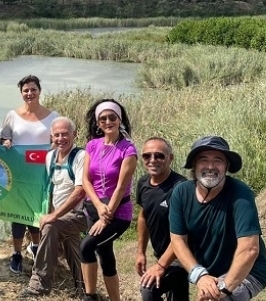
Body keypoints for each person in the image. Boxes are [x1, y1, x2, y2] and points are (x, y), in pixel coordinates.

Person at [169, 136, 266, 301]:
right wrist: (199, 275)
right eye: (203, 160)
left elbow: (250, 250)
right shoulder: (181, 193)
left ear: (226, 166)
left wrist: (221, 290)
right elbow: (177, 241)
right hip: (209, 269)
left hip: (250, 270)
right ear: (194, 165)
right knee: (153, 284)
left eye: (218, 160)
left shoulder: (241, 194)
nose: (210, 166)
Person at [19, 117, 88, 297]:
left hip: (81, 214)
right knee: (72, 247)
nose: (61, 138)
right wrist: (47, 212)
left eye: (65, 134)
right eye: (56, 135)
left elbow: (80, 191)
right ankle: (84, 289)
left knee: (51, 227)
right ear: (51, 137)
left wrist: (53, 216)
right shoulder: (50, 157)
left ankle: (38, 285)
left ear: (75, 134)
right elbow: (50, 188)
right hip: (62, 216)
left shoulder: (80, 156)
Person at [0, 75, 59, 274]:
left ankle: (35, 248)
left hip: (42, 175)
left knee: (38, 214)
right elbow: (5, 137)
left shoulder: (53, 116)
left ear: (39, 91)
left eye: (33, 89)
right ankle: (16, 253)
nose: (29, 93)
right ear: (21, 93)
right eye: (25, 90)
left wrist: (52, 147)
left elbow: (59, 141)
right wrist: (6, 143)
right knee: (18, 214)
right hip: (18, 174)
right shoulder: (12, 115)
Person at [79, 99, 137, 301]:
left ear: (119, 119)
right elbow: (86, 180)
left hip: (117, 213)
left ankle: (90, 296)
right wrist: (97, 205)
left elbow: (121, 187)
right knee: (105, 254)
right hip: (92, 209)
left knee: (86, 246)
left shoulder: (128, 149)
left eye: (112, 117)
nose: (108, 121)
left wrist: (106, 217)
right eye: (103, 118)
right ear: (98, 122)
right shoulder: (92, 145)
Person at [135, 137, 189, 301]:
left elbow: (183, 235)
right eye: (147, 156)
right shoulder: (143, 183)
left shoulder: (181, 188)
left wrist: (160, 266)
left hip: (183, 257)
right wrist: (141, 253)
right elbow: (144, 216)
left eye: (159, 156)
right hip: (162, 254)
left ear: (170, 158)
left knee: (149, 289)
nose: (152, 160)